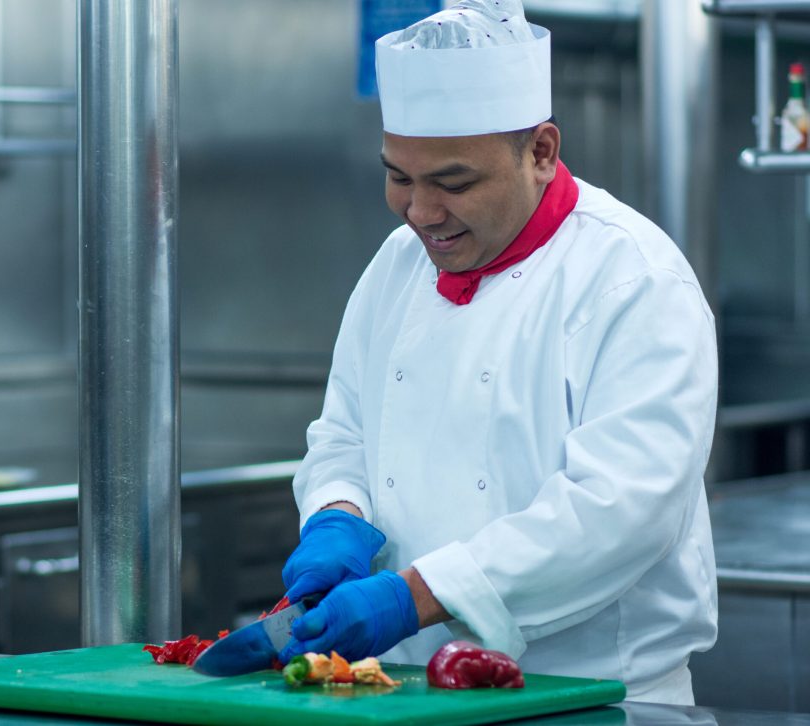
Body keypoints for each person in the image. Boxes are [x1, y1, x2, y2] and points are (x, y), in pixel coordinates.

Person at [277, 0, 718, 706]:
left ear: (541, 152)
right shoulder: (397, 265)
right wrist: (337, 514)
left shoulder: (633, 279)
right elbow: (347, 431)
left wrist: (418, 595)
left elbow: (619, 510)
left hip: (596, 699)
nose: (420, 212)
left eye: (453, 183)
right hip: (407, 689)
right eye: (399, 177)